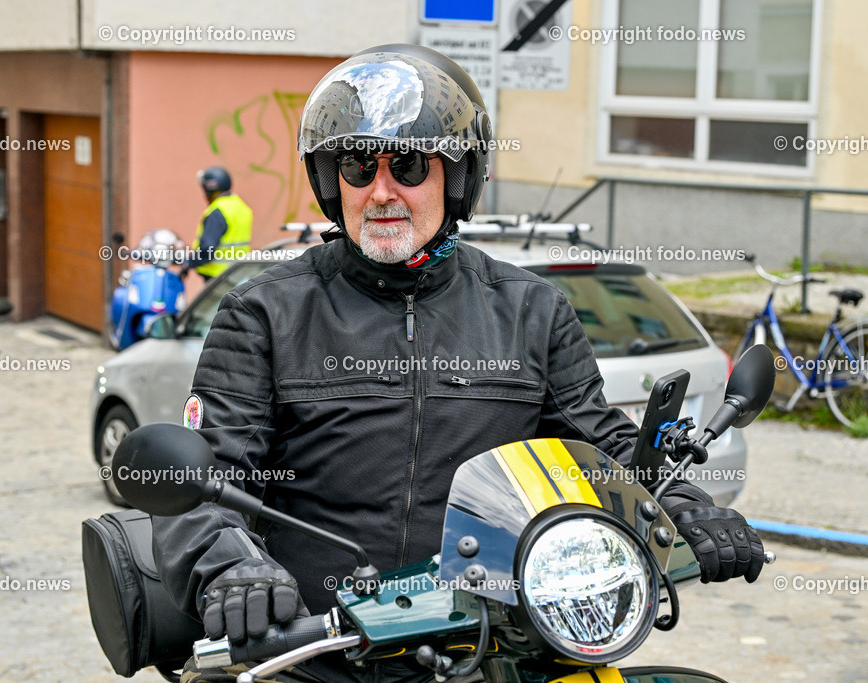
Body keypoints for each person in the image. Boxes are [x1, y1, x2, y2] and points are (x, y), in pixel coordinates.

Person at [153, 45, 765, 682]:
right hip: (314, 655)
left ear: (459, 176)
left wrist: (687, 505)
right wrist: (234, 569)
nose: (381, 191)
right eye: (358, 166)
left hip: (491, 650)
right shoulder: (265, 312)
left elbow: (603, 445)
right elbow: (206, 477)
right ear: (332, 181)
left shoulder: (531, 311)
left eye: (409, 165)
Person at [182, 167, 252, 281]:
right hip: (238, 274)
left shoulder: (218, 211)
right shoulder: (241, 207)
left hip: (218, 278)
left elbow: (207, 249)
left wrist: (189, 263)